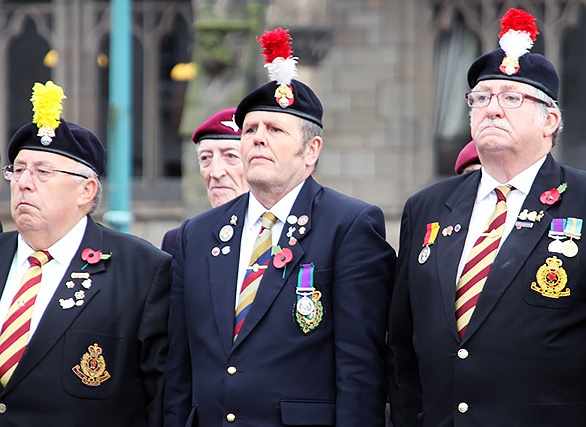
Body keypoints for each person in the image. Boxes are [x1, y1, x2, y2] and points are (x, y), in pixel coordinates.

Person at [389, 8, 586, 426]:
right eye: (481, 98)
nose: (491, 109)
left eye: (511, 98)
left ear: (550, 121)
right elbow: (402, 346)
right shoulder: (427, 208)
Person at [164, 28, 396, 426]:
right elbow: (178, 369)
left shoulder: (349, 226)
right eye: (250, 130)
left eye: (274, 131)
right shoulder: (197, 235)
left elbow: (360, 369)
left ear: (311, 150)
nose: (257, 140)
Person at [0, 81, 170, 426]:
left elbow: (162, 396)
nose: (24, 182)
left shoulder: (141, 271)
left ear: (86, 190)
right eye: (18, 170)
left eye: (42, 172)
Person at [161, 107, 248, 253]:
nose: (215, 172)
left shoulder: (280, 234)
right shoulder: (183, 241)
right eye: (205, 158)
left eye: (231, 156)